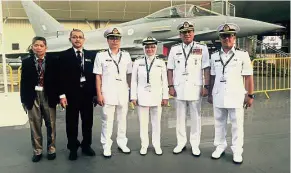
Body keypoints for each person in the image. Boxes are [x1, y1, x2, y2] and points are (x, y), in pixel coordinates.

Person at [208, 23, 254, 164]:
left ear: (234, 37)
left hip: (236, 95)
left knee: (237, 125)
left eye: (229, 36)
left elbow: (248, 76)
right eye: (223, 36)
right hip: (219, 94)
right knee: (219, 123)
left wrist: (250, 95)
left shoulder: (242, 55)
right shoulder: (214, 55)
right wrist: (210, 94)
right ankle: (220, 146)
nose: (226, 38)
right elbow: (213, 76)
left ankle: (237, 151)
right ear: (220, 38)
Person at [167, 21, 210, 156]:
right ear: (180, 34)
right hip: (179, 88)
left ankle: (195, 144)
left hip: (195, 88)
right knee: (180, 117)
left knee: (196, 117)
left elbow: (206, 68)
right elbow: (169, 69)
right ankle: (181, 142)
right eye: (184, 32)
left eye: (189, 32)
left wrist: (206, 86)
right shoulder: (174, 49)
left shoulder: (202, 48)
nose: (187, 34)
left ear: (193, 33)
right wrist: (170, 86)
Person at [93, 27, 132, 157]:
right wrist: (99, 94)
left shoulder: (126, 55)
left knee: (122, 120)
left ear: (120, 40)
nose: (114, 41)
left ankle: (122, 143)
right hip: (107, 92)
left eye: (117, 38)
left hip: (122, 91)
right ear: (107, 40)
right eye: (112, 38)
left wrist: (131, 92)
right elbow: (98, 76)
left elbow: (129, 75)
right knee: (107, 120)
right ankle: (106, 145)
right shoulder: (101, 55)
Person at [59, 29, 97, 161]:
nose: (77, 39)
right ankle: (73, 148)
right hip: (71, 96)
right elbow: (60, 78)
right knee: (71, 123)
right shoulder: (64, 56)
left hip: (87, 96)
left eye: (80, 37)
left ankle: (86, 146)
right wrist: (62, 95)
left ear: (84, 39)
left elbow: (94, 77)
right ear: (70, 39)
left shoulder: (92, 56)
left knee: (88, 123)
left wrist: (96, 94)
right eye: (74, 37)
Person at [20, 36, 59, 162]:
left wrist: (59, 96)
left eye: (41, 46)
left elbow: (58, 81)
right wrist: (23, 100)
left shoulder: (53, 60)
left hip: (48, 96)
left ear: (46, 48)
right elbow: (23, 82)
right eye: (36, 45)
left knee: (51, 124)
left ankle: (51, 149)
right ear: (32, 47)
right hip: (33, 96)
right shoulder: (26, 62)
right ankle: (37, 150)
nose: (38, 48)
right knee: (35, 124)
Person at [131, 37, 169, 155]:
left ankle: (157, 145)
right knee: (143, 123)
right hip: (142, 96)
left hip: (156, 96)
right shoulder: (138, 62)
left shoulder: (161, 62)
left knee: (156, 122)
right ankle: (144, 145)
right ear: (144, 48)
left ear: (156, 48)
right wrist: (133, 96)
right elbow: (134, 81)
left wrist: (165, 96)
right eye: (147, 47)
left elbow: (165, 81)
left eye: (152, 46)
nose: (150, 49)